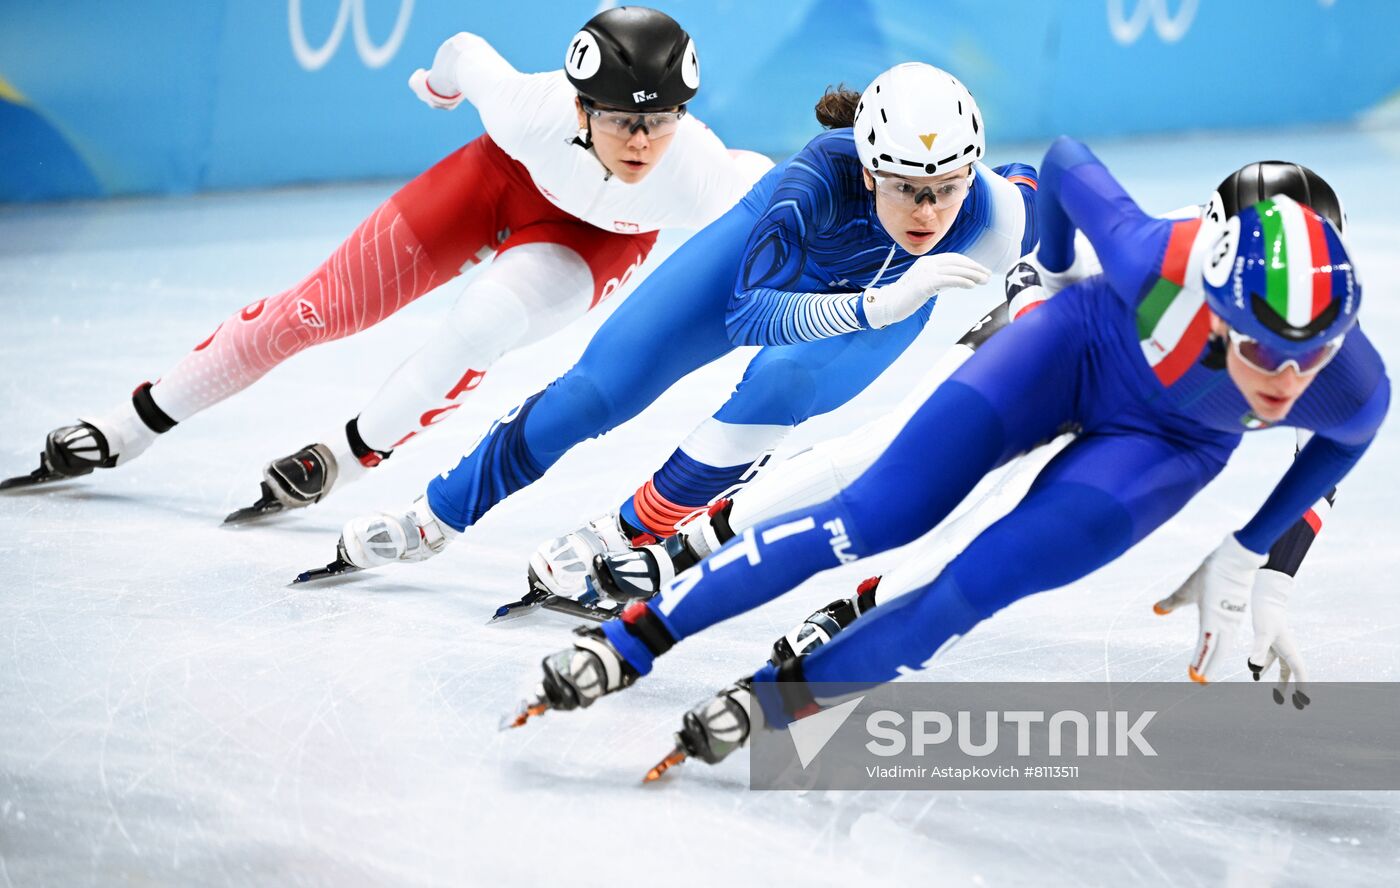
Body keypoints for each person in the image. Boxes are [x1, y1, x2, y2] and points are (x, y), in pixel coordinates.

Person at [512, 137, 1387, 777]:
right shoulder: (1154, 257)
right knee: (872, 517)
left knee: (969, 593)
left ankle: (775, 700)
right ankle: (637, 635)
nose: (1287, 380)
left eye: (1312, 355)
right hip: (1070, 353)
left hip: (1169, 445)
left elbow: (1342, 446)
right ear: (1215, 299)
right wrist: (1046, 271)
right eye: (1261, 351)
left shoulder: (1347, 379)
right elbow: (1067, 162)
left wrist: (1250, 559)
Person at [4, 8, 770, 521]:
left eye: (660, 120)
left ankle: (345, 456)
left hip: (596, 241)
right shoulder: (525, 106)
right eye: (621, 120)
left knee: (484, 321)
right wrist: (438, 89)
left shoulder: (698, 170)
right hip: (495, 181)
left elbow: (779, 196)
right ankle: (128, 425)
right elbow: (464, 53)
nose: (641, 141)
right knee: (312, 312)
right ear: (579, 108)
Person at [315, 62, 1040, 583]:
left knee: (783, 384)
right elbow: (749, 310)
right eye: (908, 190)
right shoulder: (817, 177)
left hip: (891, 303)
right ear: (869, 168)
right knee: (597, 389)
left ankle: (628, 538)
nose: (929, 212)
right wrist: (872, 304)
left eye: (947, 190)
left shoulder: (993, 213)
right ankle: (434, 517)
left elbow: (1050, 202)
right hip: (797, 280)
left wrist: (1024, 296)